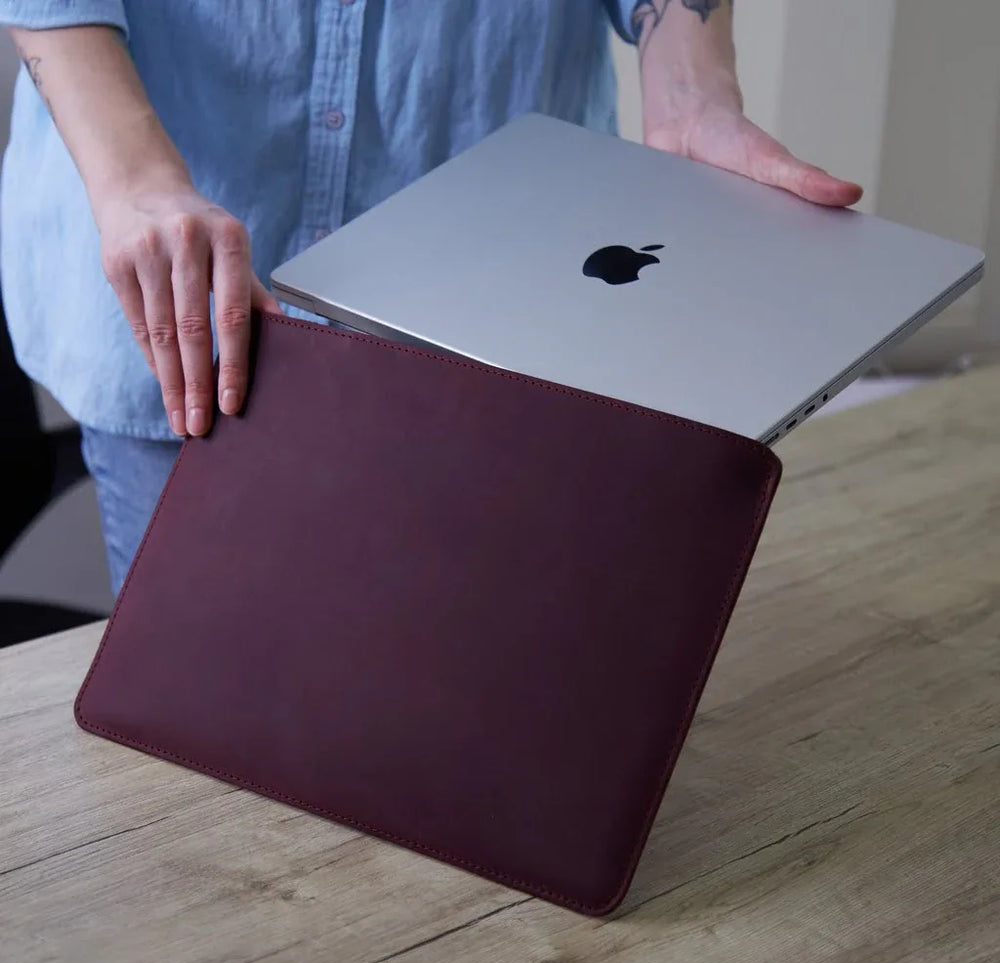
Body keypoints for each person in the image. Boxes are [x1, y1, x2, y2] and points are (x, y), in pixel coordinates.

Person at [1, 0, 861, 596]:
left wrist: (695, 102)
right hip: (191, 302)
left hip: (508, 306)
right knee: (206, 730)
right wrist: (137, 181)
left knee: (492, 711)